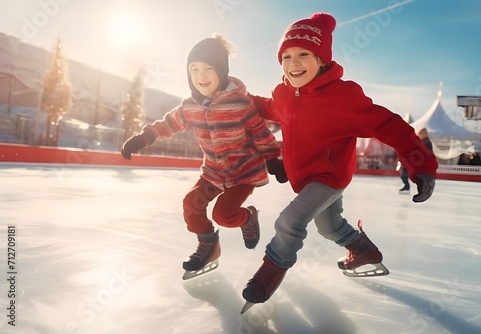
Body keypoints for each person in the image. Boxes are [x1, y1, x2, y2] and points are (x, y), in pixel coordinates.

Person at [241, 13, 438, 308]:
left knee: (290, 220)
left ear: (321, 59)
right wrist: (238, 98)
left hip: (330, 177)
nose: (293, 63)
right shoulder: (283, 94)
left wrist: (421, 165)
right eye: (286, 56)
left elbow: (388, 125)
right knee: (329, 227)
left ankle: (270, 271)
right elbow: (270, 109)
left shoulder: (343, 97)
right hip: (305, 178)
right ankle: (364, 251)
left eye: (303, 54)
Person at [121, 34, 282, 278]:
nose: (201, 76)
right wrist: (144, 138)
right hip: (214, 173)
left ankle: (248, 218)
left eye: (208, 68)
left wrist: (272, 159)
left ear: (222, 71)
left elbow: (260, 133)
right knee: (191, 205)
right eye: (194, 69)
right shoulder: (189, 106)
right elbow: (168, 124)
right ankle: (208, 244)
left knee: (223, 215)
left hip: (244, 172)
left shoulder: (241, 103)